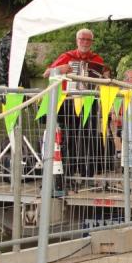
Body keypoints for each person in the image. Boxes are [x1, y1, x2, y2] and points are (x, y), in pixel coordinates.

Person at [44, 28, 106, 183]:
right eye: (82, 39)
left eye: (88, 39)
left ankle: (88, 175)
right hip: (70, 102)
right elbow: (46, 73)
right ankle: (68, 174)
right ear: (77, 40)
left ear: (92, 42)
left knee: (89, 137)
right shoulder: (67, 56)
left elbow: (102, 79)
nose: (85, 42)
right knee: (69, 137)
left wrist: (105, 76)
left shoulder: (97, 59)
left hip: (89, 102)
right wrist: (59, 69)